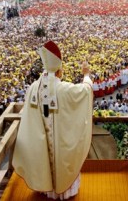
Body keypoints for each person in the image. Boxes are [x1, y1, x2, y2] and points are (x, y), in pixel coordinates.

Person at [13, 40, 93, 200]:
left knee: (44, 157)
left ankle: (46, 189)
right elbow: (86, 91)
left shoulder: (34, 87)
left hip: (40, 141)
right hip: (60, 141)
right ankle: (65, 192)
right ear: (58, 71)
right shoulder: (62, 89)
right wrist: (86, 75)